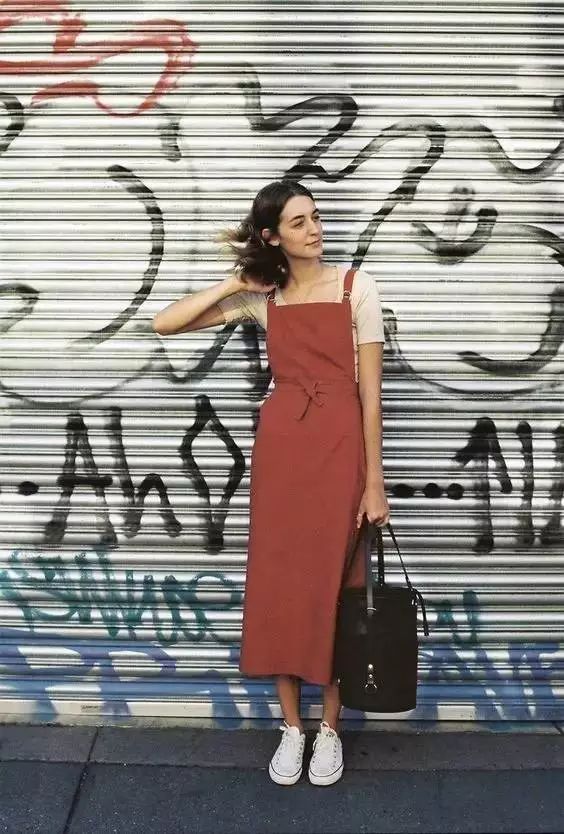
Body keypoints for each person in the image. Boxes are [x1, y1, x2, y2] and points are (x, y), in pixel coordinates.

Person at [152, 180, 390, 787]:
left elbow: (370, 397)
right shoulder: (268, 299)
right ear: (272, 236)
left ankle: (329, 729)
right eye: (298, 222)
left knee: (338, 587)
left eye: (316, 217)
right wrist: (234, 284)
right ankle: (291, 727)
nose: (315, 229)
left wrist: (375, 483)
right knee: (280, 586)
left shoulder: (357, 287)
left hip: (341, 453)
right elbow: (164, 324)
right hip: (283, 453)